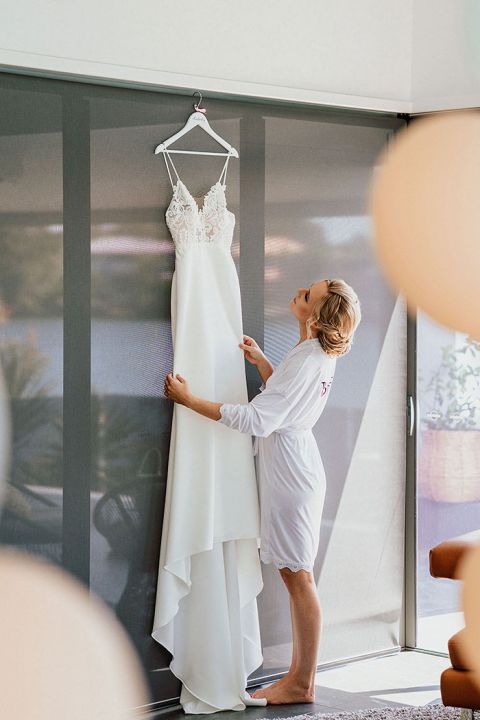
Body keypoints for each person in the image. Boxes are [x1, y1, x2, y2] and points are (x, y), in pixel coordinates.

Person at [163, 278, 361, 705]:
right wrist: (264, 363)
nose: (298, 292)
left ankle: (301, 683)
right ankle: (298, 679)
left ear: (317, 315)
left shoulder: (309, 359)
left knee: (298, 577)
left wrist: (189, 399)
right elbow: (287, 397)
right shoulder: (312, 352)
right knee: (296, 575)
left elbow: (257, 419)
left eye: (307, 295)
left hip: (291, 476)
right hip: (296, 466)